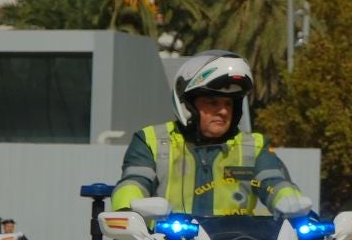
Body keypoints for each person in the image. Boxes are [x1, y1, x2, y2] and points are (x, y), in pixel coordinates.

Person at [112, 50, 310, 217]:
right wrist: (128, 209)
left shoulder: (254, 147)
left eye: (228, 104)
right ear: (187, 105)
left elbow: (273, 182)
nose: (223, 111)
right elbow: (134, 181)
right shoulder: (151, 141)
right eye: (213, 102)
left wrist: (289, 201)